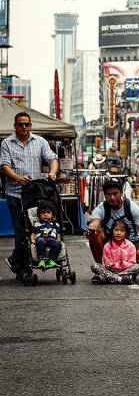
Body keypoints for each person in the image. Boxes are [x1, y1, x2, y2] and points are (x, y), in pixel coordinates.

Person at [1, 112, 58, 276]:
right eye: (20, 124)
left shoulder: (40, 142)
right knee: (20, 233)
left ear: (30, 125)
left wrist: (52, 173)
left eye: (26, 124)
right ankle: (21, 268)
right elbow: (4, 165)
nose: (24, 127)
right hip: (14, 194)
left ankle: (16, 260)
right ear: (15, 126)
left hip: (34, 196)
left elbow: (52, 158)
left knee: (34, 230)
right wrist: (17, 178)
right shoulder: (7, 143)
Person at [86, 177, 139, 278]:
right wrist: (91, 230)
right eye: (109, 194)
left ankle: (120, 272)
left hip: (132, 244)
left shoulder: (132, 208)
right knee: (95, 234)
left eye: (115, 193)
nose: (112, 197)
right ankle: (100, 271)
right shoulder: (101, 208)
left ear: (121, 193)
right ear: (104, 195)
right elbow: (95, 222)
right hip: (111, 245)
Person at [90, 219, 139, 284]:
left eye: (122, 231)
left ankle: (109, 278)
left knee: (137, 267)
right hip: (111, 270)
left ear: (126, 234)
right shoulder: (107, 246)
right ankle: (119, 279)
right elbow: (106, 263)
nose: (119, 233)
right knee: (94, 266)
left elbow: (132, 263)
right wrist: (112, 265)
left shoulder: (131, 246)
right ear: (112, 232)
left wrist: (122, 263)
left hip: (125, 270)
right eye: (116, 230)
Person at [30, 200, 62, 269]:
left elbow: (58, 234)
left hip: (51, 239)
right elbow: (33, 233)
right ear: (39, 215)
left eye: (48, 212)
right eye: (43, 213)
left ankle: (50, 259)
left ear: (52, 214)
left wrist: (59, 241)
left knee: (58, 244)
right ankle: (42, 260)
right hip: (40, 239)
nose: (45, 214)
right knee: (41, 241)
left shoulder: (55, 224)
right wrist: (32, 240)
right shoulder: (37, 224)